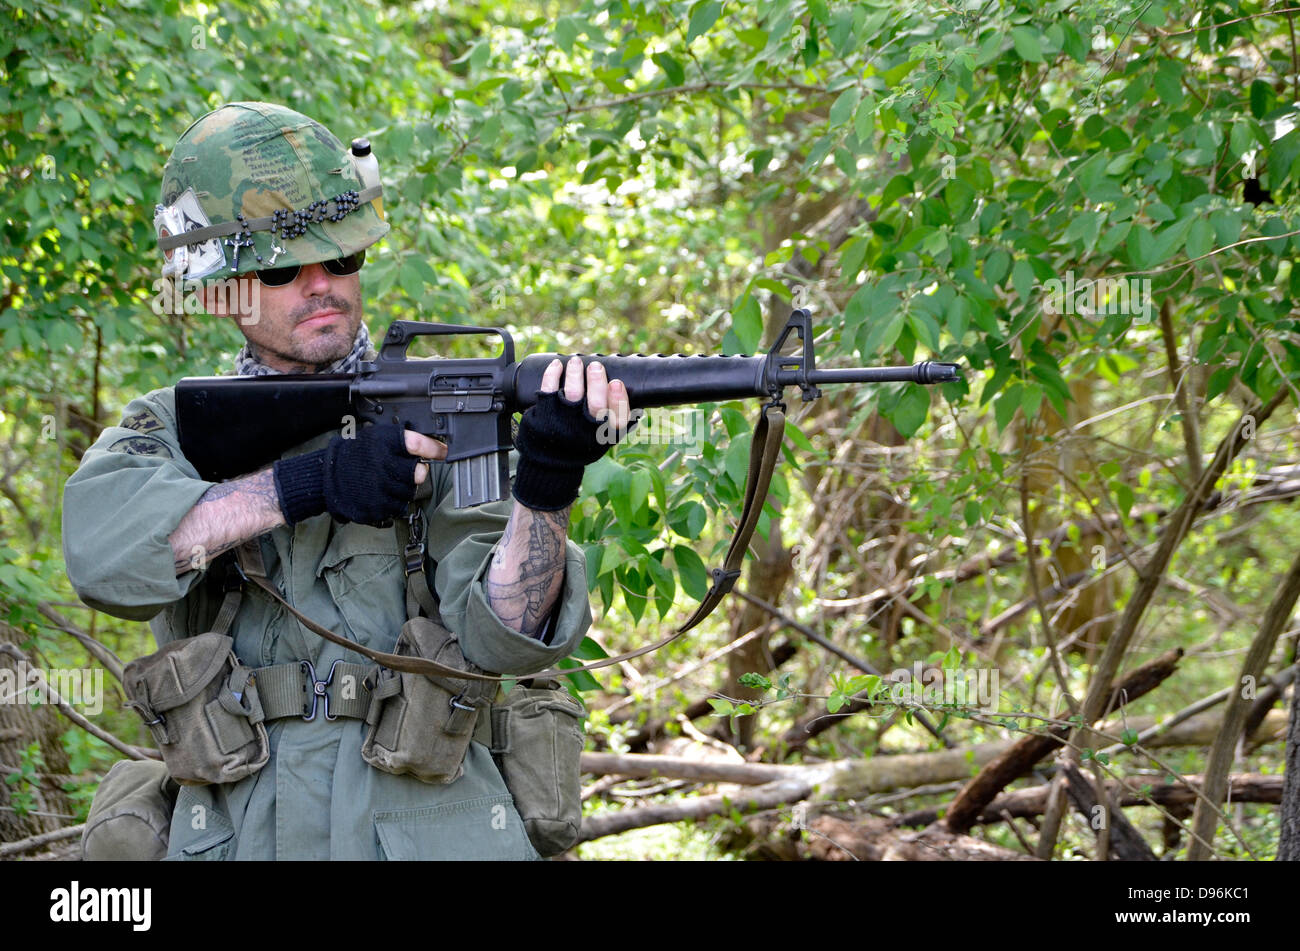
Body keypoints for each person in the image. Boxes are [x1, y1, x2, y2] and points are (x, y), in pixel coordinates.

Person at [62, 101, 629, 860]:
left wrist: (549, 487)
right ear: (215, 288)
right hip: (238, 835)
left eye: (343, 259)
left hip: (432, 834)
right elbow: (104, 563)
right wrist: (303, 484)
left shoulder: (442, 412)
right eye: (281, 268)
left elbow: (506, 638)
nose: (321, 284)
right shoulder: (172, 427)